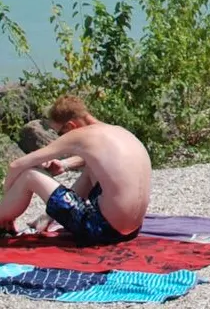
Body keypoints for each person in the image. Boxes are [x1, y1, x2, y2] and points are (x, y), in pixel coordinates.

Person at [0, 96, 151, 245]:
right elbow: (96, 160)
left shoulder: (81, 135)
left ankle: (2, 220)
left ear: (71, 126)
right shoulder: (119, 132)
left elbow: (16, 165)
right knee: (90, 170)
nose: (60, 136)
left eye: (59, 133)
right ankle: (45, 219)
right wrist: (65, 164)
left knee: (29, 175)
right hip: (132, 231)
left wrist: (10, 209)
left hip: (101, 230)